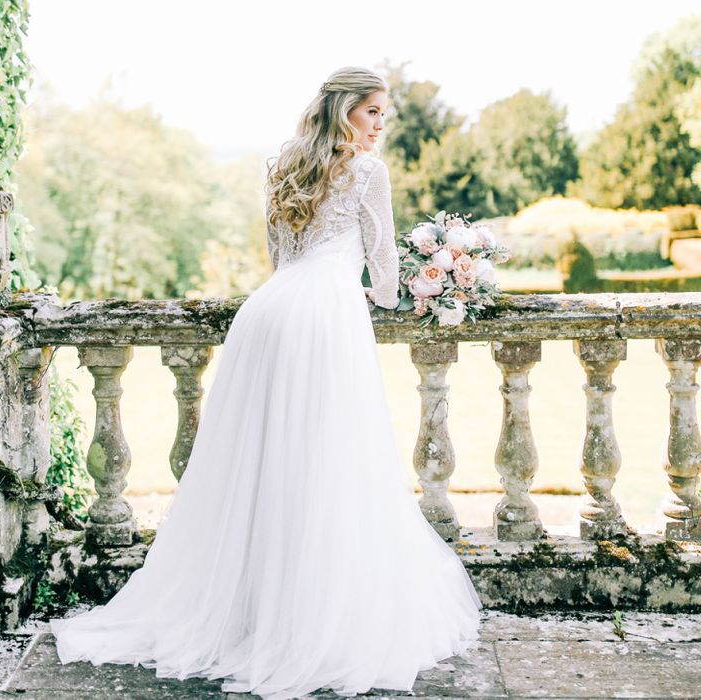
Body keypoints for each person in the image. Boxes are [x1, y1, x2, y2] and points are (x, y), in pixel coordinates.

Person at [50, 65, 482, 700]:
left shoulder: (282, 165)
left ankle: (251, 611)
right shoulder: (367, 171)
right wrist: (415, 289)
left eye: (384, 113)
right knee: (330, 462)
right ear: (344, 111)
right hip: (327, 315)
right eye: (373, 112)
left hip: (269, 313)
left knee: (260, 464)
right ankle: (310, 618)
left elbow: (280, 256)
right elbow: (384, 268)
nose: (381, 124)